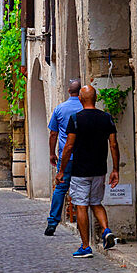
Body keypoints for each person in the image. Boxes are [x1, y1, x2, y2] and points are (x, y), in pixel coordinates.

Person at [56, 84, 119, 258]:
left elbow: (68, 147)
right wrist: (115, 169)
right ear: (96, 98)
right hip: (99, 169)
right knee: (96, 202)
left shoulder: (75, 119)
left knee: (81, 206)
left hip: (80, 170)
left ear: (81, 99)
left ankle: (85, 246)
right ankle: (106, 230)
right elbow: (113, 144)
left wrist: (61, 170)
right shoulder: (107, 118)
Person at [44, 79, 83, 235]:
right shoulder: (84, 108)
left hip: (65, 157)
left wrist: (52, 153)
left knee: (60, 188)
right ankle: (84, 223)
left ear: (68, 91)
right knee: (84, 189)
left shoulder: (60, 109)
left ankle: (52, 222)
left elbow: (53, 133)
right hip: (83, 156)